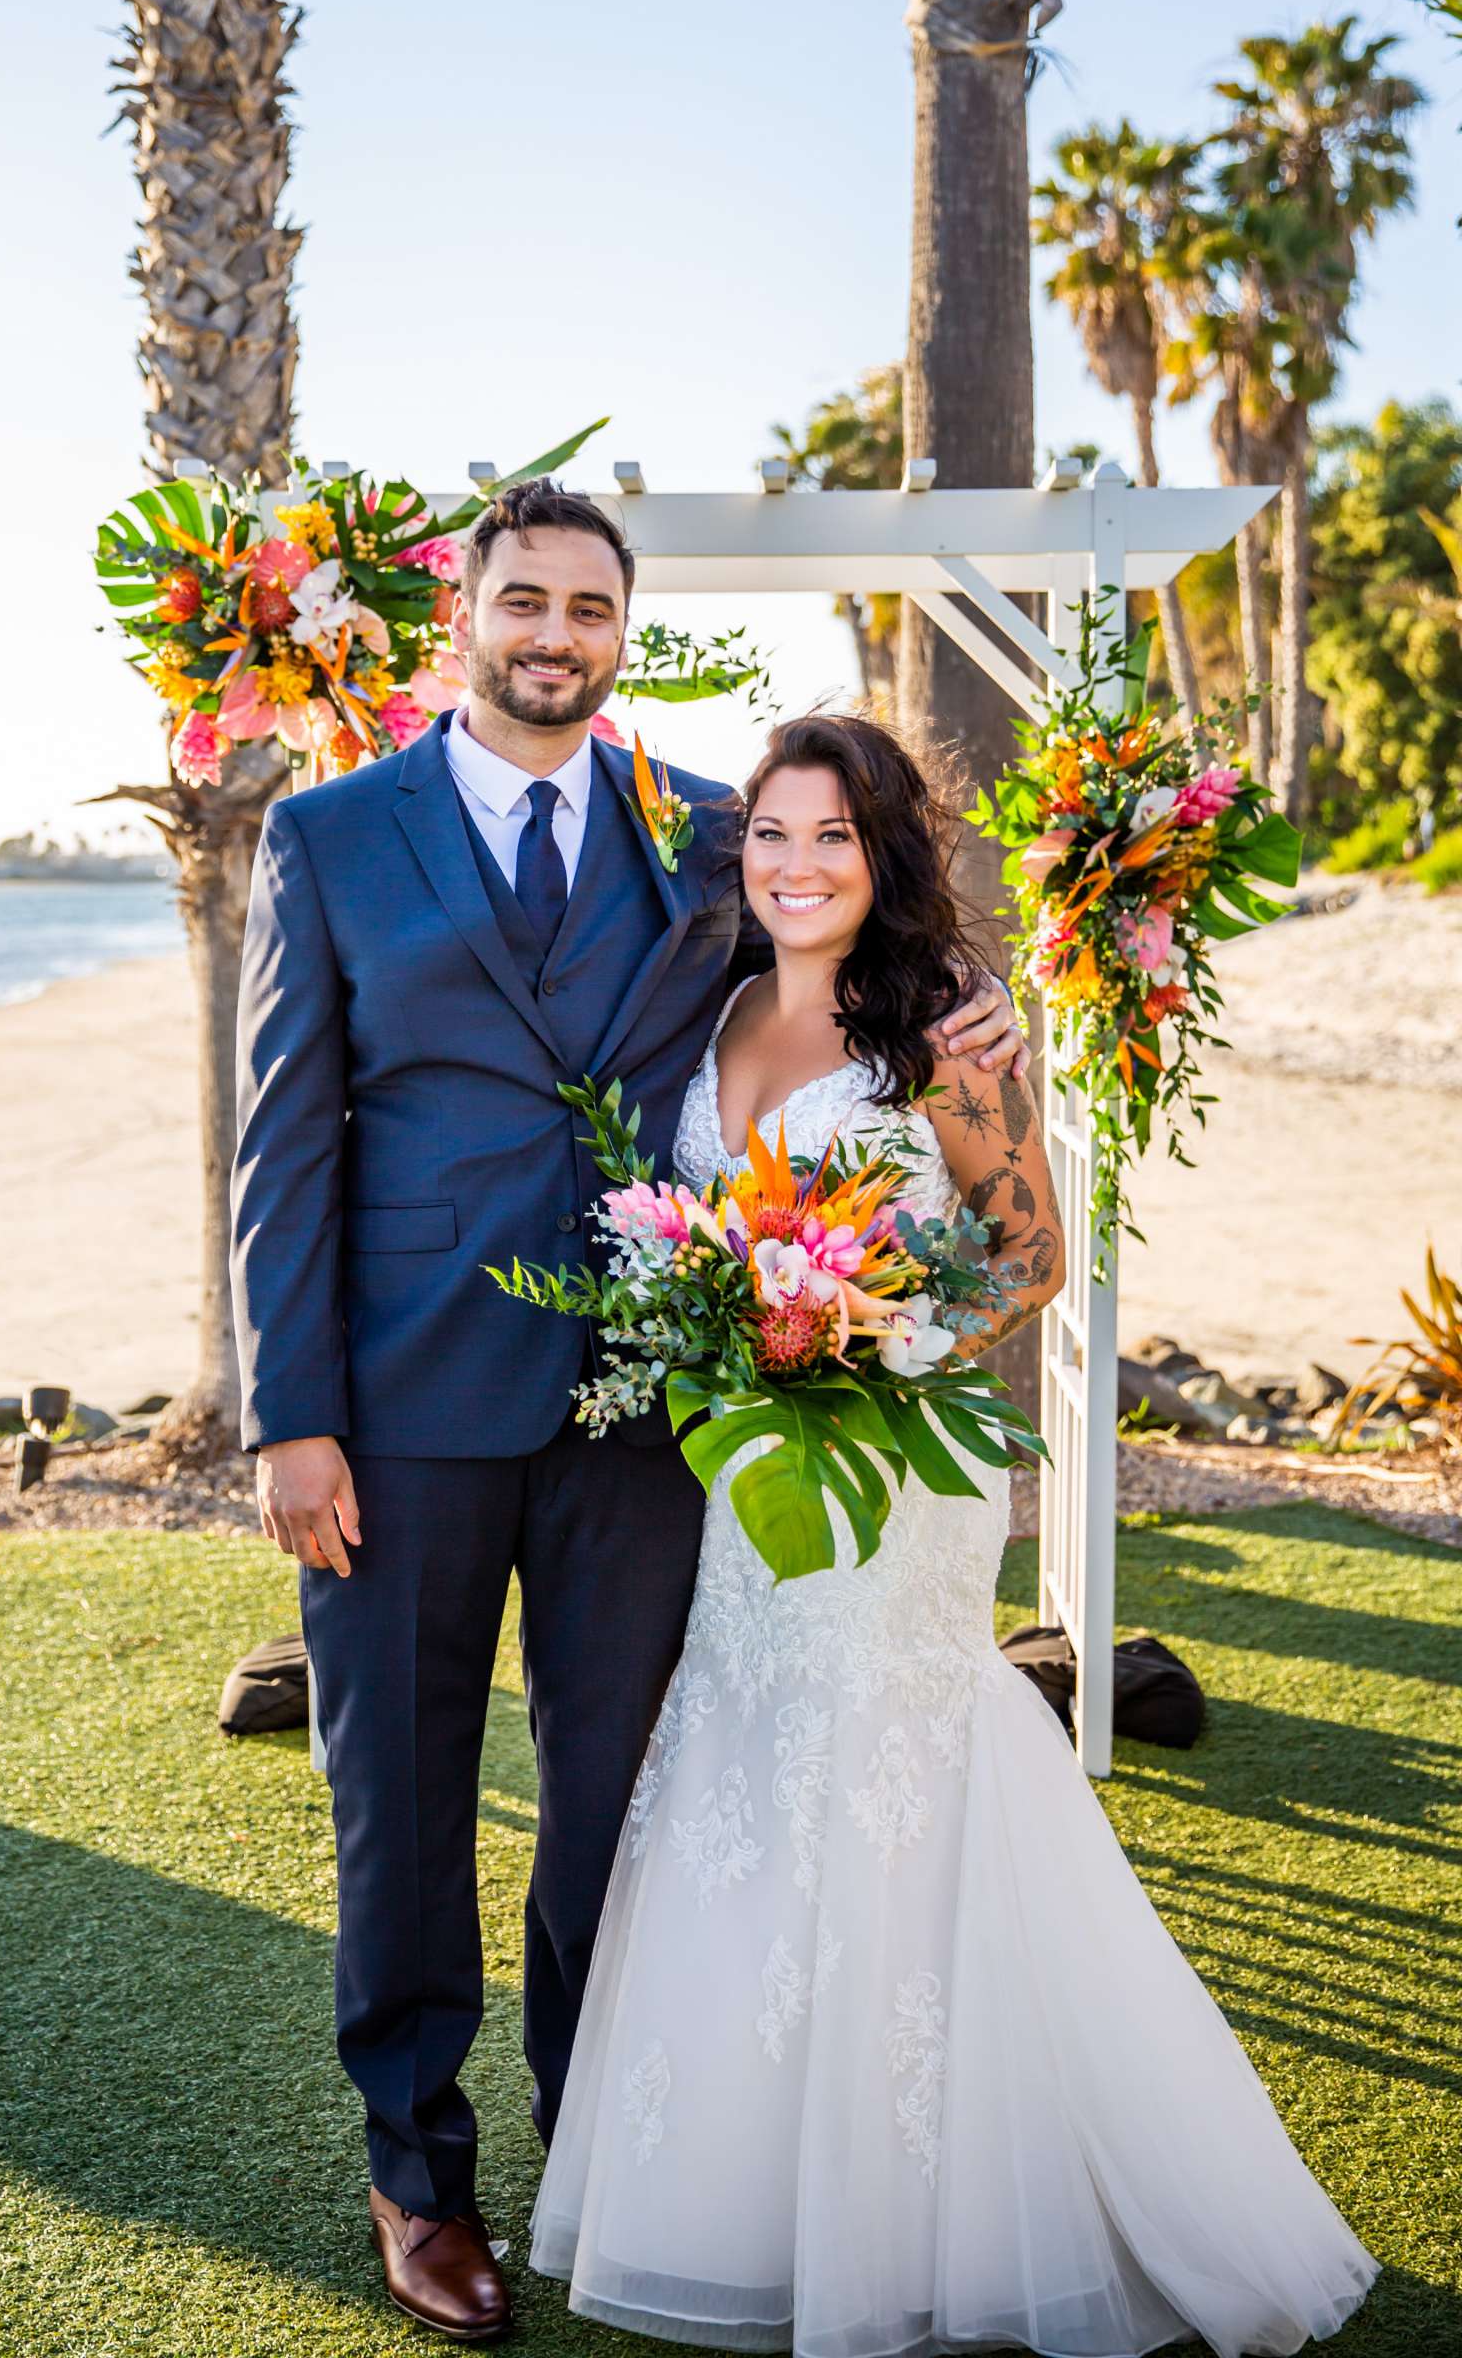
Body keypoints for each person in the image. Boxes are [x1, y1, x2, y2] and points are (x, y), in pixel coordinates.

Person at [228, 480, 1027, 2343]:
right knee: (402, 1810)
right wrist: (292, 1417)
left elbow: (836, 974)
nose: (556, 634)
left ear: (621, 630)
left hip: (647, 1421)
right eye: (526, 600)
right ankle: (416, 2178)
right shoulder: (334, 837)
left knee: (620, 1812)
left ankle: (601, 2143)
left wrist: (968, 1025)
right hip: (400, 1404)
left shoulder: (695, 834)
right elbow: (280, 1144)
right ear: (466, 616)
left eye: (591, 607)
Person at [531, 712, 1379, 2358]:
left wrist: (867, 1330)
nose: (796, 865)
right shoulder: (700, 1016)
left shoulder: (937, 1030)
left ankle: (940, 2191)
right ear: (741, 853)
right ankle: (750, 2186)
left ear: (882, 853)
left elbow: (1032, 1256)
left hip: (896, 1468)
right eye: (771, 834)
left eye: (833, 837)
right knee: (743, 1751)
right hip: (748, 1471)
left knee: (894, 1758)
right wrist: (745, 1336)